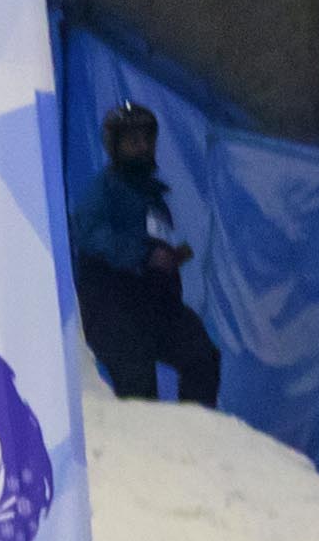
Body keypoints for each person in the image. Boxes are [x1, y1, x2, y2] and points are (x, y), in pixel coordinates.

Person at [71, 101, 222, 408]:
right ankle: (145, 439)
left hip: (155, 306)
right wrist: (142, 255)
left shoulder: (153, 195)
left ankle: (195, 431)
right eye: (133, 141)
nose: (142, 148)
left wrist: (168, 258)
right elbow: (89, 234)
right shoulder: (104, 189)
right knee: (140, 391)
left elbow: (154, 243)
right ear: (115, 147)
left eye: (147, 140)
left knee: (202, 356)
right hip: (113, 309)